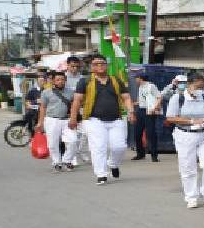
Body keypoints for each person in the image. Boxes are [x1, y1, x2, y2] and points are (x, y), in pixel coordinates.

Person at [68, 54, 134, 185]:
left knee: (119, 147)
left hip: (116, 119)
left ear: (106, 65)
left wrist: (131, 111)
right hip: (94, 120)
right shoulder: (85, 81)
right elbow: (77, 100)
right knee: (99, 147)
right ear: (91, 67)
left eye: (102, 63)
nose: (100, 66)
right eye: (96, 64)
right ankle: (101, 174)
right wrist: (73, 118)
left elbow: (126, 97)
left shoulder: (116, 80)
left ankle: (113, 164)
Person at [165, 71, 204, 208]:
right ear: (189, 85)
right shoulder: (178, 98)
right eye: (197, 87)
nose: (200, 90)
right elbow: (170, 117)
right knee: (188, 167)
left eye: (203, 87)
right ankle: (191, 196)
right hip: (185, 134)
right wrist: (191, 121)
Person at [36, 71, 75, 172]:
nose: (60, 81)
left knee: (73, 140)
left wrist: (73, 118)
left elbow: (74, 107)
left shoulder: (70, 92)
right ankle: (57, 163)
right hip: (51, 120)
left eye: (62, 79)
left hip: (66, 120)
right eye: (58, 80)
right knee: (53, 143)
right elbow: (43, 107)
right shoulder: (46, 92)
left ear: (65, 80)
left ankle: (67, 160)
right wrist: (40, 122)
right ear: (53, 81)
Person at [132, 73, 162, 162]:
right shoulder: (140, 87)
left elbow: (159, 97)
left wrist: (155, 108)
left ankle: (154, 155)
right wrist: (134, 103)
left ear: (140, 78)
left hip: (149, 111)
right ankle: (140, 154)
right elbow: (141, 100)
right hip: (140, 111)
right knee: (137, 133)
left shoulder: (151, 86)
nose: (135, 80)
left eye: (136, 78)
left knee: (151, 134)